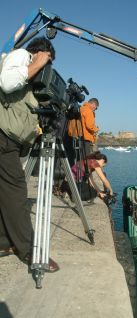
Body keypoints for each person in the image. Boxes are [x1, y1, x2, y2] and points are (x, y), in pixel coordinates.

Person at [0, 36, 59, 272]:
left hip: (8, 141)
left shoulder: (30, 74)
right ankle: (30, 251)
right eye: (49, 60)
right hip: (2, 137)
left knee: (5, 193)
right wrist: (39, 61)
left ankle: (4, 243)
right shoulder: (22, 56)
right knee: (17, 193)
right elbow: (6, 82)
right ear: (41, 52)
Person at [65, 98, 99, 166]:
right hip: (85, 138)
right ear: (94, 105)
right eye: (96, 108)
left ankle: (75, 173)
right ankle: (84, 175)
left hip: (76, 136)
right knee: (85, 159)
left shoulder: (80, 109)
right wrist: (96, 129)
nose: (95, 110)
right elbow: (89, 125)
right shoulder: (89, 111)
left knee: (78, 158)